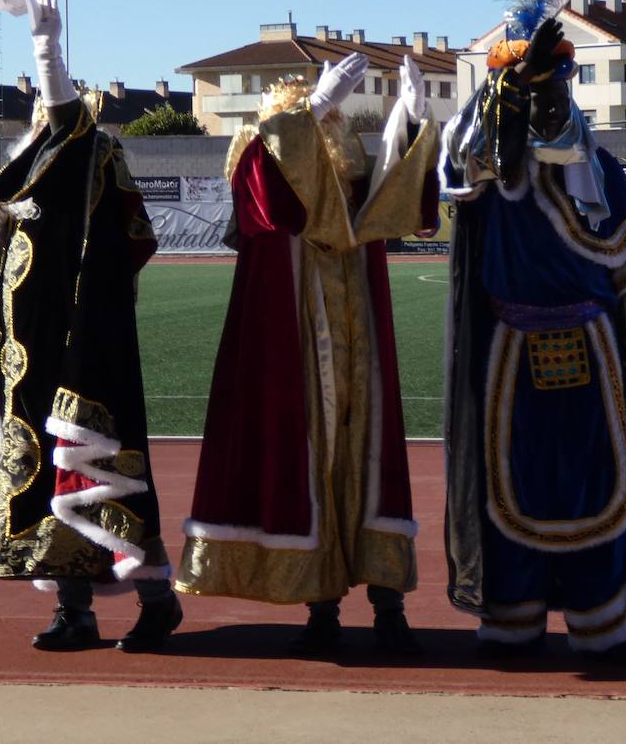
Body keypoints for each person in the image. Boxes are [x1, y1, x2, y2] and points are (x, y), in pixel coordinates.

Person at [439, 0, 626, 663]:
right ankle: (529, 621)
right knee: (514, 486)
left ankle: (587, 623)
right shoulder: (481, 171)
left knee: (586, 487)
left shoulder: (592, 170)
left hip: (579, 352)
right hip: (514, 355)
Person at [174, 51, 441, 655]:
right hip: (296, 326)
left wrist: (410, 117)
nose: (328, 121)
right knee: (309, 452)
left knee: (365, 449)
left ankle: (387, 601)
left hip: (358, 321)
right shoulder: (256, 146)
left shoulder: (342, 153)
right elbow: (276, 207)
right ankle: (321, 605)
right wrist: (313, 107)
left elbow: (390, 205)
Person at [0, 0, 182, 652]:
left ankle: (155, 599)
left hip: (83, 342)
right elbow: (19, 245)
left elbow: (68, 123)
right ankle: (74, 608)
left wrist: (45, 47)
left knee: (100, 470)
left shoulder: (89, 148)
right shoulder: (30, 164)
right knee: (43, 478)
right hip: (25, 346)